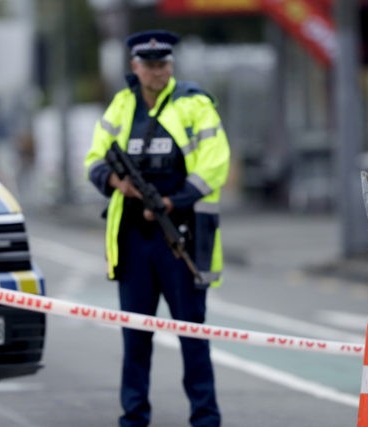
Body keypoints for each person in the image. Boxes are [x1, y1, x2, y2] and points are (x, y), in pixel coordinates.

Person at [84, 29, 230, 427]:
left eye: (163, 64)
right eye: (148, 65)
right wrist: (118, 183)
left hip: (180, 234)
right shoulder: (122, 105)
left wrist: (172, 201)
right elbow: (95, 158)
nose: (156, 72)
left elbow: (215, 162)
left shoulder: (194, 105)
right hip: (132, 239)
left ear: (171, 65)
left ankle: (205, 417)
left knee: (191, 334)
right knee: (135, 335)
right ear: (135, 67)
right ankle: (133, 416)